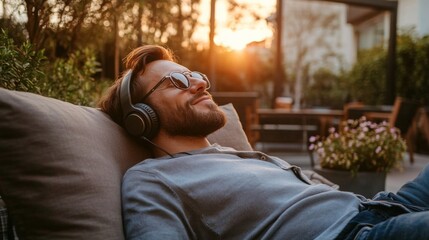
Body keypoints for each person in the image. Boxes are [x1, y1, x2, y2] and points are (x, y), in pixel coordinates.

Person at [98, 45, 429, 240]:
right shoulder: (151, 179)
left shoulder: (230, 154)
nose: (199, 84)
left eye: (196, 75)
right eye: (177, 81)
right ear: (141, 116)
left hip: (380, 206)